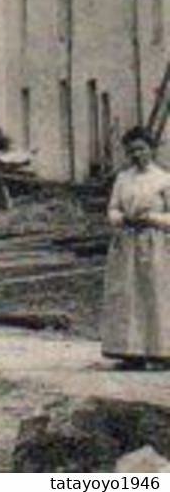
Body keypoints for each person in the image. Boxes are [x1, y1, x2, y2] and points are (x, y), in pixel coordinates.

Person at [102, 127, 170, 370]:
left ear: (152, 149)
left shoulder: (164, 179)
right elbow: (112, 208)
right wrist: (120, 218)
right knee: (128, 295)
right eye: (132, 151)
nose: (137, 154)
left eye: (141, 149)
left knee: (155, 294)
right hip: (128, 243)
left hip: (156, 244)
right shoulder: (123, 178)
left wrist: (151, 218)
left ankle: (162, 352)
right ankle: (131, 352)